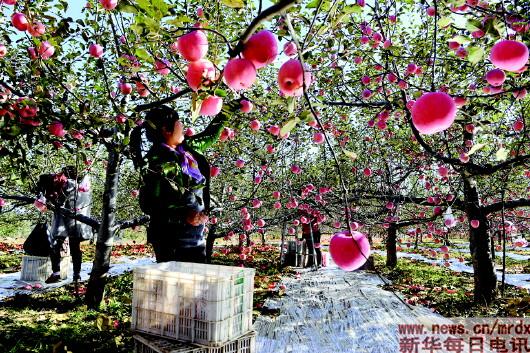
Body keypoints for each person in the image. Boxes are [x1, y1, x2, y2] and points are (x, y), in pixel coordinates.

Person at [132, 103, 234, 263]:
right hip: (171, 239)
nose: (183, 125)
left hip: (195, 236)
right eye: (178, 121)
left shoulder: (186, 149)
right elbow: (148, 204)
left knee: (196, 283)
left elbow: (210, 135)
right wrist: (182, 216)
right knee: (177, 285)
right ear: (166, 130)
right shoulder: (155, 161)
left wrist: (227, 111)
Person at [45, 166, 93, 284]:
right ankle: (76, 275)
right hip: (78, 221)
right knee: (75, 248)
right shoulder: (83, 187)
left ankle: (56, 272)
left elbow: (58, 201)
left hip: (65, 220)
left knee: (55, 244)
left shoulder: (68, 185)